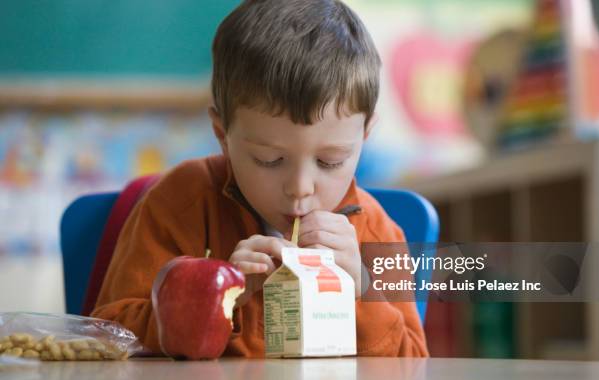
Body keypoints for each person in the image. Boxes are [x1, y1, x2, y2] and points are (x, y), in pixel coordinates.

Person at [92, 0, 428, 358]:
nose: (300, 188)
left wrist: (361, 290)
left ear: (364, 136)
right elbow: (109, 335)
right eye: (269, 160)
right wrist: (214, 297)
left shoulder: (376, 233)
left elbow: (411, 367)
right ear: (223, 135)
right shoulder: (178, 203)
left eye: (331, 161)